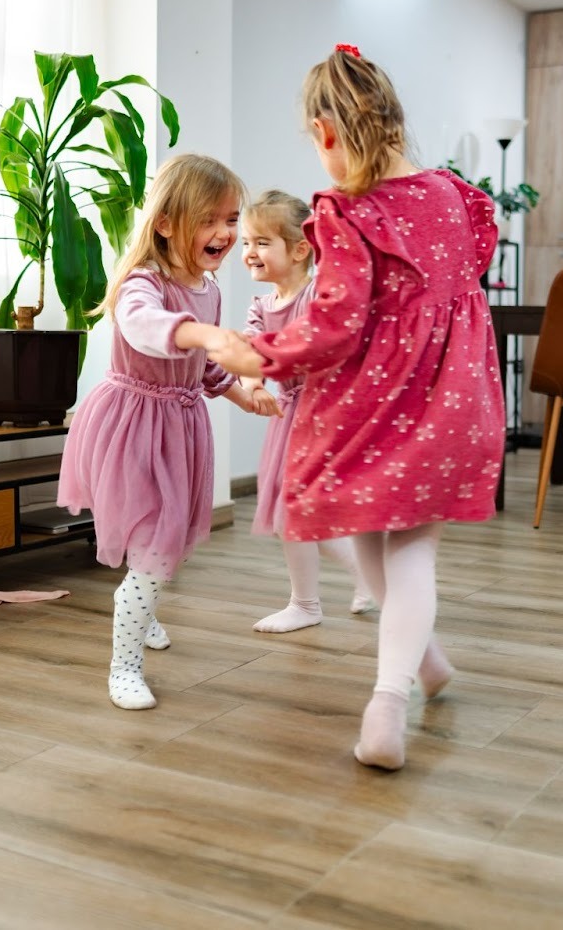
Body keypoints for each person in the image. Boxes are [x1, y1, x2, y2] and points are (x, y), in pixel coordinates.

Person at [208, 44, 505, 769]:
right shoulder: (457, 197)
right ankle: (423, 661)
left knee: (390, 543)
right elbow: (466, 279)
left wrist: (258, 355)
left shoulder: (346, 211)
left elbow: (335, 323)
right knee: (398, 541)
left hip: (375, 401)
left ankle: (387, 704)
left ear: (328, 133)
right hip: (452, 393)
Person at [58, 153, 278, 711]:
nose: (226, 233)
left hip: (179, 430)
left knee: (167, 537)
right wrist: (203, 334)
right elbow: (144, 327)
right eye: (212, 219)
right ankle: (123, 667)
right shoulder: (142, 283)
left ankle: (144, 607)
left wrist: (239, 391)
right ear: (165, 222)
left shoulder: (207, 288)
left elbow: (203, 369)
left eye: (232, 219)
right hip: (131, 427)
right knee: (153, 545)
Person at [237, 189, 374, 632]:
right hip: (291, 414)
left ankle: (311, 602)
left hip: (323, 413)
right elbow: (249, 352)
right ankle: (340, 589)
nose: (249, 252)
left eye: (261, 242)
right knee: (288, 511)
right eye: (245, 243)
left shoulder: (317, 296)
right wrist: (253, 384)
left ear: (299, 250)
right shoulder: (261, 305)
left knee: (297, 511)